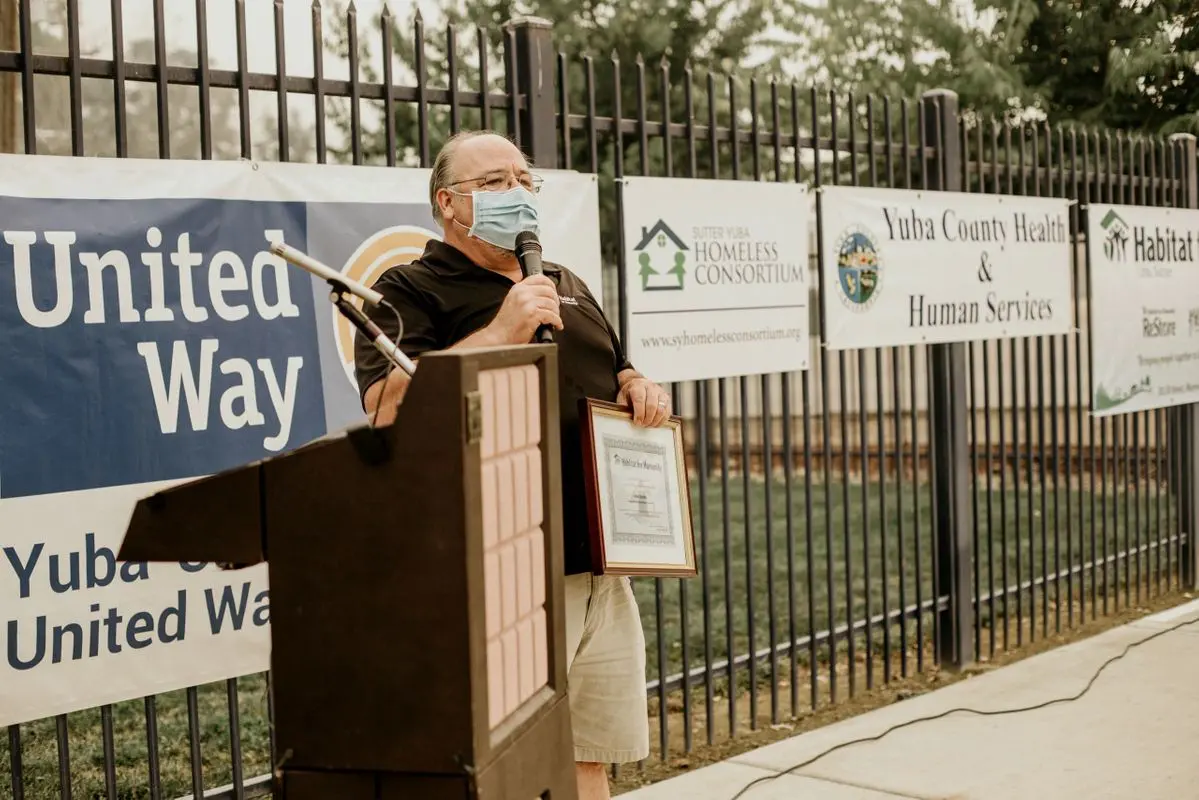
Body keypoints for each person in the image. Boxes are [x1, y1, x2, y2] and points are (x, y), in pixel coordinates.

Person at [353, 129, 671, 799]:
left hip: (596, 567)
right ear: (449, 203)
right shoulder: (407, 288)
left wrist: (638, 383)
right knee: (507, 771)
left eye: (525, 179)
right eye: (496, 182)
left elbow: (612, 368)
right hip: (498, 569)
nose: (517, 193)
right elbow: (387, 409)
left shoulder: (563, 282)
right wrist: (500, 333)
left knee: (587, 760)